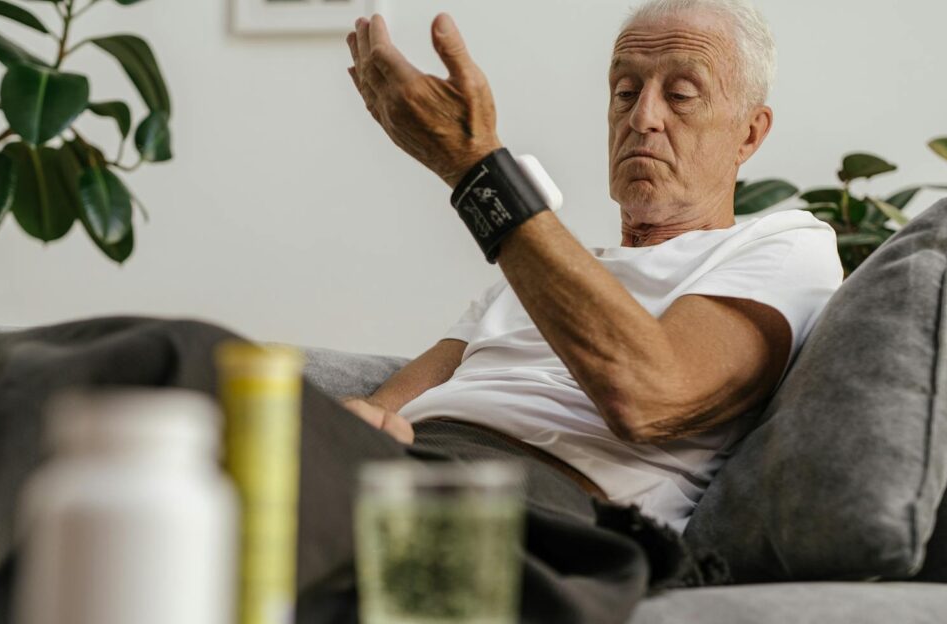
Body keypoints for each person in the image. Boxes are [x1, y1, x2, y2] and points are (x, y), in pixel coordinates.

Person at [339, 0, 844, 535]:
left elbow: (651, 398)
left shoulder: (784, 245)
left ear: (750, 133)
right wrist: (352, 422)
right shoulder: (536, 269)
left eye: (680, 95)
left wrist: (477, 171)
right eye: (625, 92)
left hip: (542, 502)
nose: (642, 118)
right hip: (407, 465)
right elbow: (383, 407)